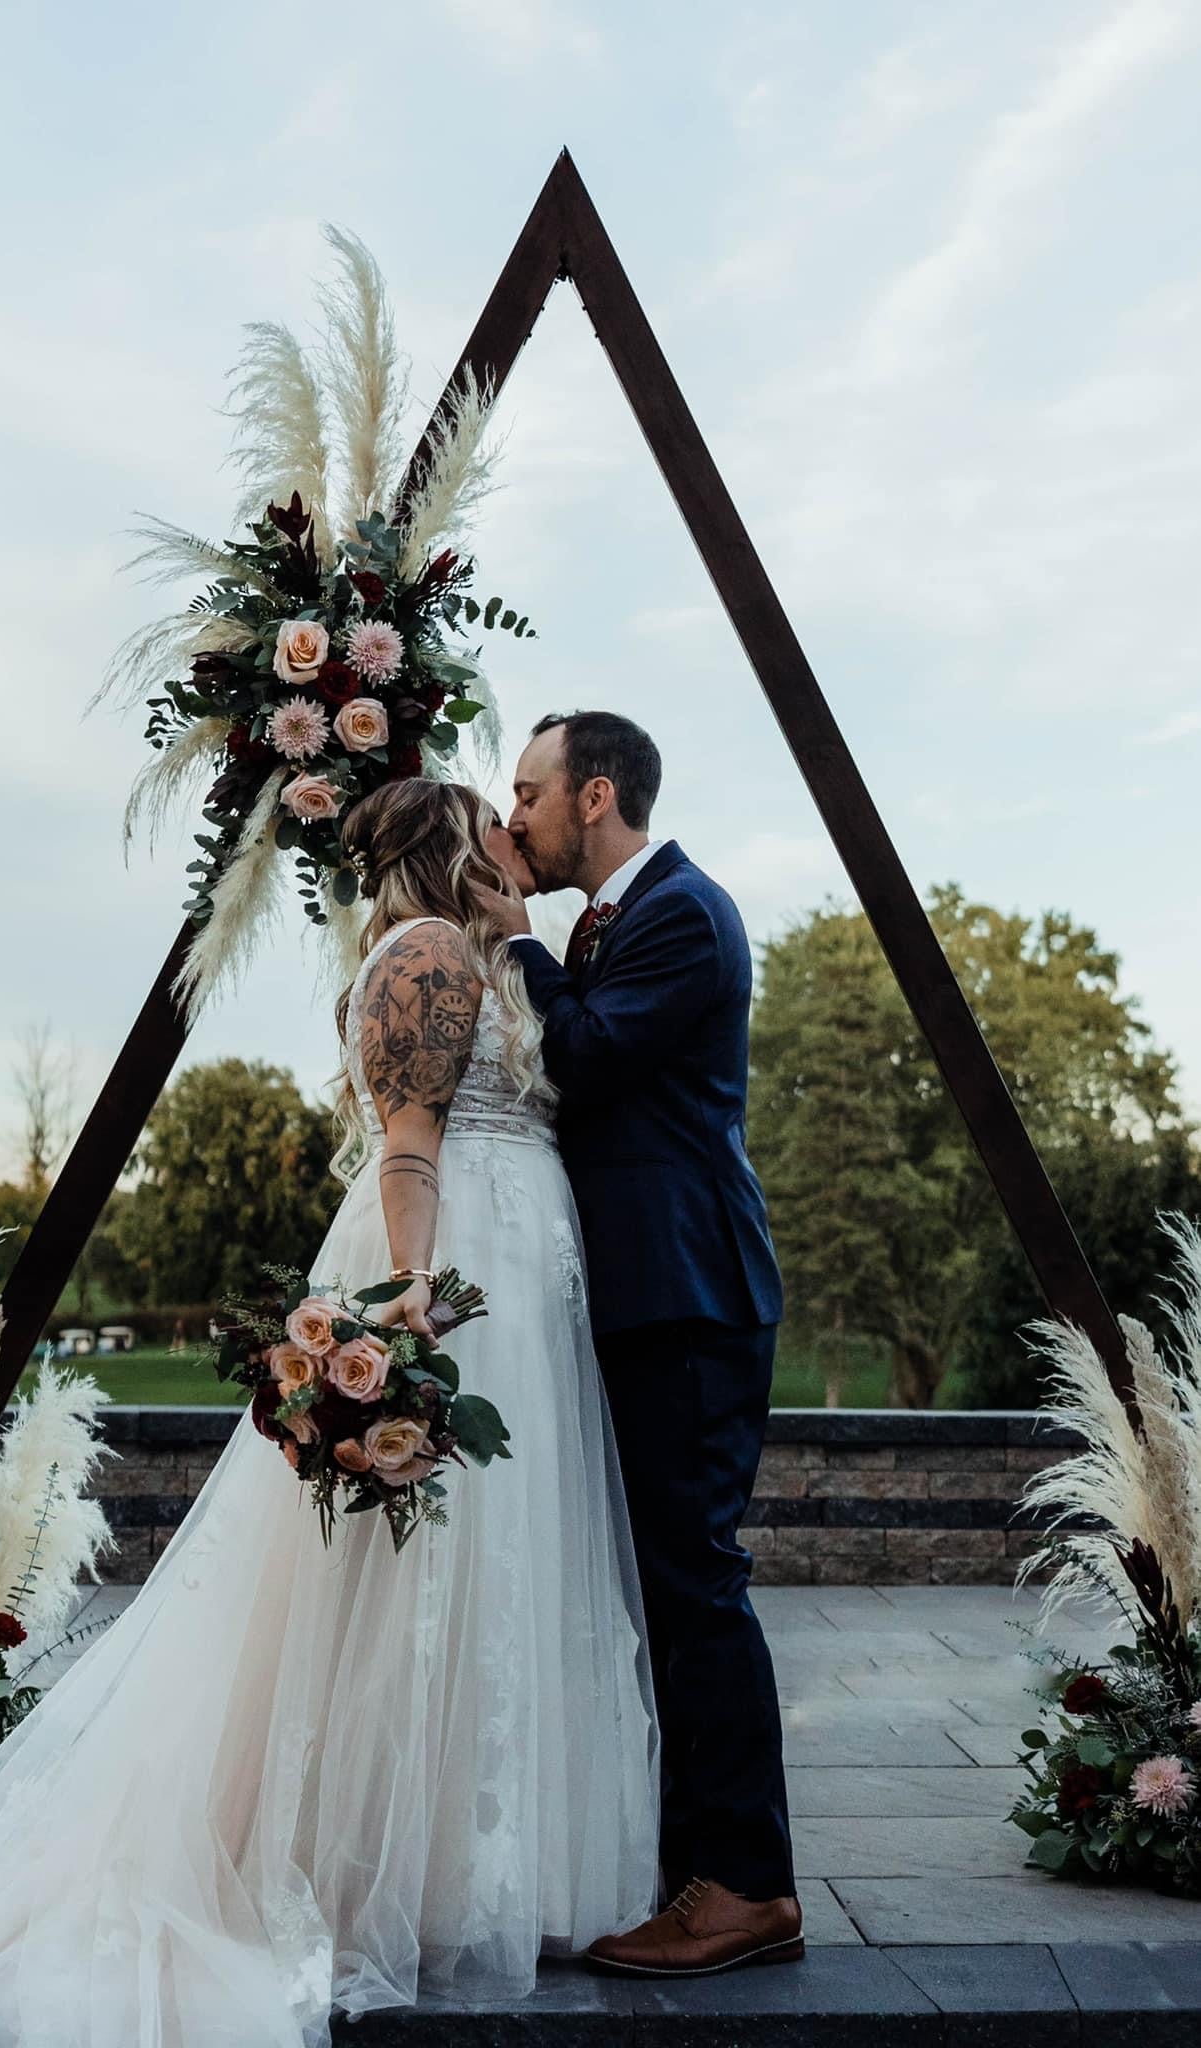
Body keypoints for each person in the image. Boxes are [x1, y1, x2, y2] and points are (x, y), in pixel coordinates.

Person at [0, 780, 659, 2048]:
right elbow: (406, 1142)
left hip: (521, 1289)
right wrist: (411, 1299)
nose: (512, 837)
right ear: (446, 848)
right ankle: (366, 1865)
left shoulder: (481, 955)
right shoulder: (427, 952)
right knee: (418, 1574)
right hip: (450, 1272)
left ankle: (470, 1859)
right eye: (491, 825)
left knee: (491, 1569)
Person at [478, 709, 802, 1978]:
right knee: (662, 1585)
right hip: (646, 1293)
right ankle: (689, 1861)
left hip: (689, 1294)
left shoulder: (680, 909)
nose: (513, 821)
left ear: (594, 794)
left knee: (694, 1584)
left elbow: (585, 1055)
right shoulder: (617, 917)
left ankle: (746, 1886)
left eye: (528, 793)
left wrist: (515, 941)